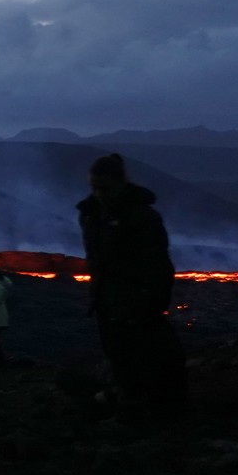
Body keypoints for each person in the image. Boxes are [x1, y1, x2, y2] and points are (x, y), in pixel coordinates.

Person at [77, 153, 187, 420]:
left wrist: (149, 302)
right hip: (106, 298)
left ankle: (151, 406)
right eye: (94, 187)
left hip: (135, 299)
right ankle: (128, 398)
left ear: (121, 184)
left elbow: (157, 263)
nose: (99, 193)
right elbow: (95, 257)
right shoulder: (90, 215)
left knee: (143, 352)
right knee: (116, 352)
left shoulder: (143, 217)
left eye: (105, 187)